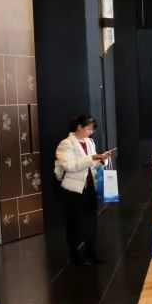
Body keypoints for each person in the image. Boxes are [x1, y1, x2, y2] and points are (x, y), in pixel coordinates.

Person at [55, 114, 112, 266]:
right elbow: (68, 165)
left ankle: (91, 251)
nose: (90, 132)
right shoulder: (66, 143)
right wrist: (91, 158)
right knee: (75, 221)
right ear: (79, 127)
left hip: (90, 185)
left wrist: (101, 159)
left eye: (92, 130)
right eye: (88, 129)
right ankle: (74, 253)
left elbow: (92, 164)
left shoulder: (90, 142)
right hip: (74, 188)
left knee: (91, 219)